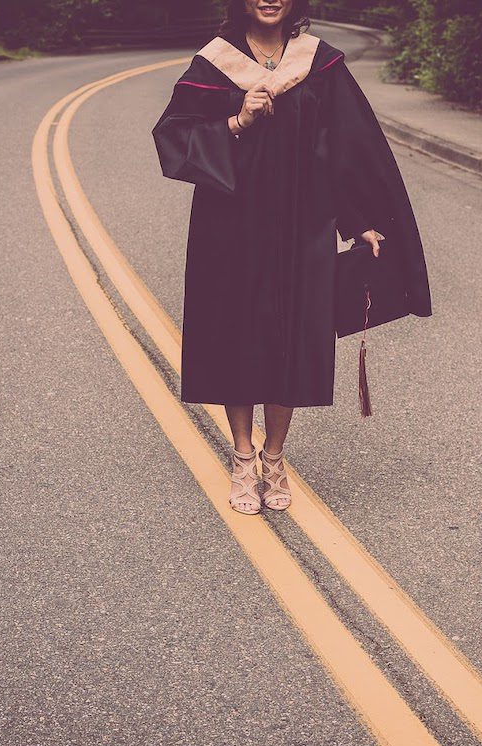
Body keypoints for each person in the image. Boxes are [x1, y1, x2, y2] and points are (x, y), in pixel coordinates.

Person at [151, 0, 432, 515]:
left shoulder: (318, 63)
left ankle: (274, 458)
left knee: (293, 334)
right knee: (238, 335)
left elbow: (344, 148)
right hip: (230, 226)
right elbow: (173, 138)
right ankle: (241, 458)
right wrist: (237, 120)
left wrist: (358, 220)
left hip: (303, 224)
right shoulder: (215, 62)